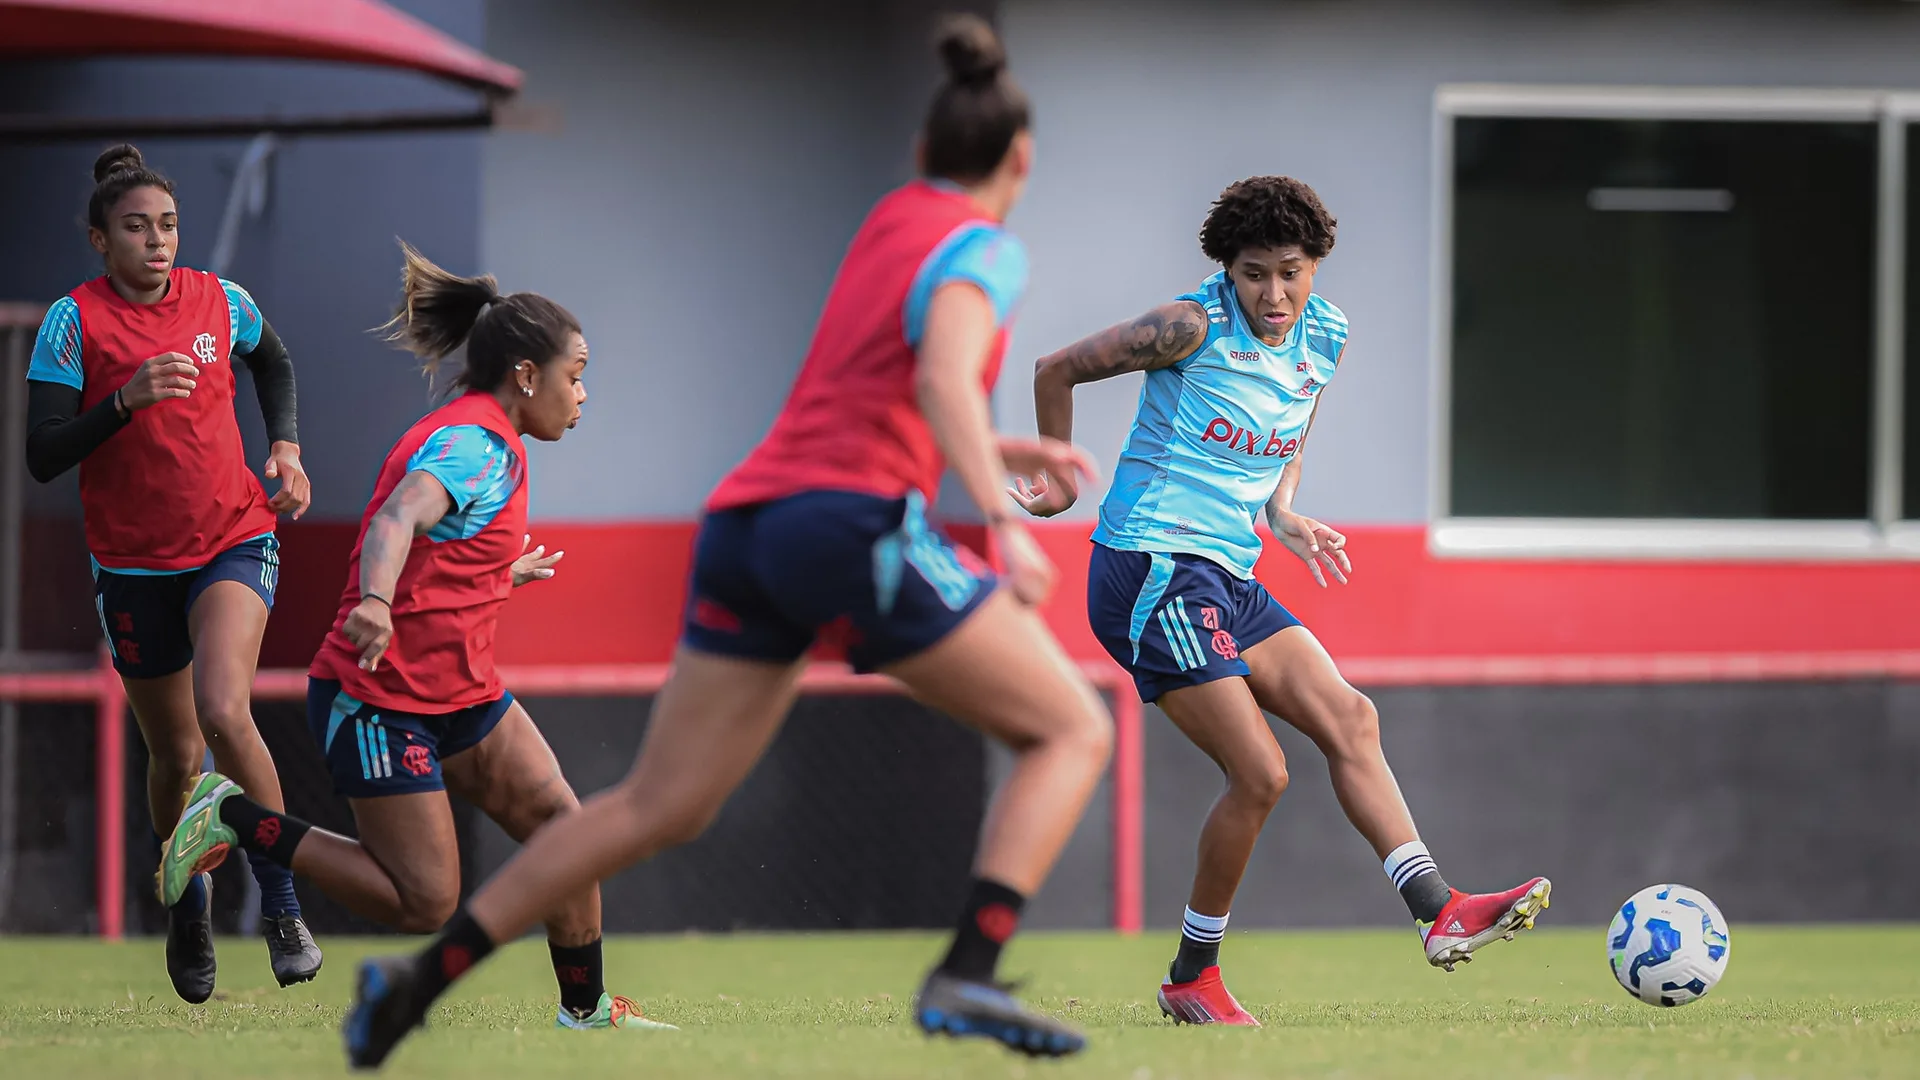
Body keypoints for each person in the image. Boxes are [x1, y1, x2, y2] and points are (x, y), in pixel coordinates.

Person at [335, 15, 1113, 1069]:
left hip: (750, 522)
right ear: (1019, 159)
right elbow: (935, 380)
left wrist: (995, 441)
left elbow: (883, 385)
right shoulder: (985, 245)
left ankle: (415, 985)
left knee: (662, 805)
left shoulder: (894, 217)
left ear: (924, 152)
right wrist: (1005, 520)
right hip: (850, 522)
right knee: (1072, 730)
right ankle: (968, 975)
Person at [1016, 176, 1551, 1026]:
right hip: (1150, 566)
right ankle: (1193, 978)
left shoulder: (1326, 336)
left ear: (1316, 270)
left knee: (1351, 718)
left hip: (1226, 573)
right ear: (1226, 271)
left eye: (1290, 273)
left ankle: (1439, 912)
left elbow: (1291, 430)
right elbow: (1058, 367)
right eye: (1254, 272)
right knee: (1261, 773)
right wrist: (1054, 476)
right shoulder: (1189, 327)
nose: (1273, 293)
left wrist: (1281, 509)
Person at [158, 243, 671, 1033]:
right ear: (526, 377)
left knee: (564, 829)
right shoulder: (474, 444)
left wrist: (499, 575)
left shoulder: (491, 439)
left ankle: (585, 1011)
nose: (583, 394)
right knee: (423, 901)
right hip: (380, 699)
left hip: (459, 693)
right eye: (575, 375)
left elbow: (439, 557)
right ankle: (233, 818)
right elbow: (401, 514)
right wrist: (373, 599)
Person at [24, 144, 321, 1002]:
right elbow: (43, 454)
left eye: (167, 226)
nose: (156, 242)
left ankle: (280, 901)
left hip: (233, 536)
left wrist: (286, 447)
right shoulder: (72, 323)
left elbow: (275, 360)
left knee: (225, 710)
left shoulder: (218, 299)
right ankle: (189, 903)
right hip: (132, 565)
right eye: (135, 228)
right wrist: (123, 401)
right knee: (174, 757)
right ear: (98, 238)